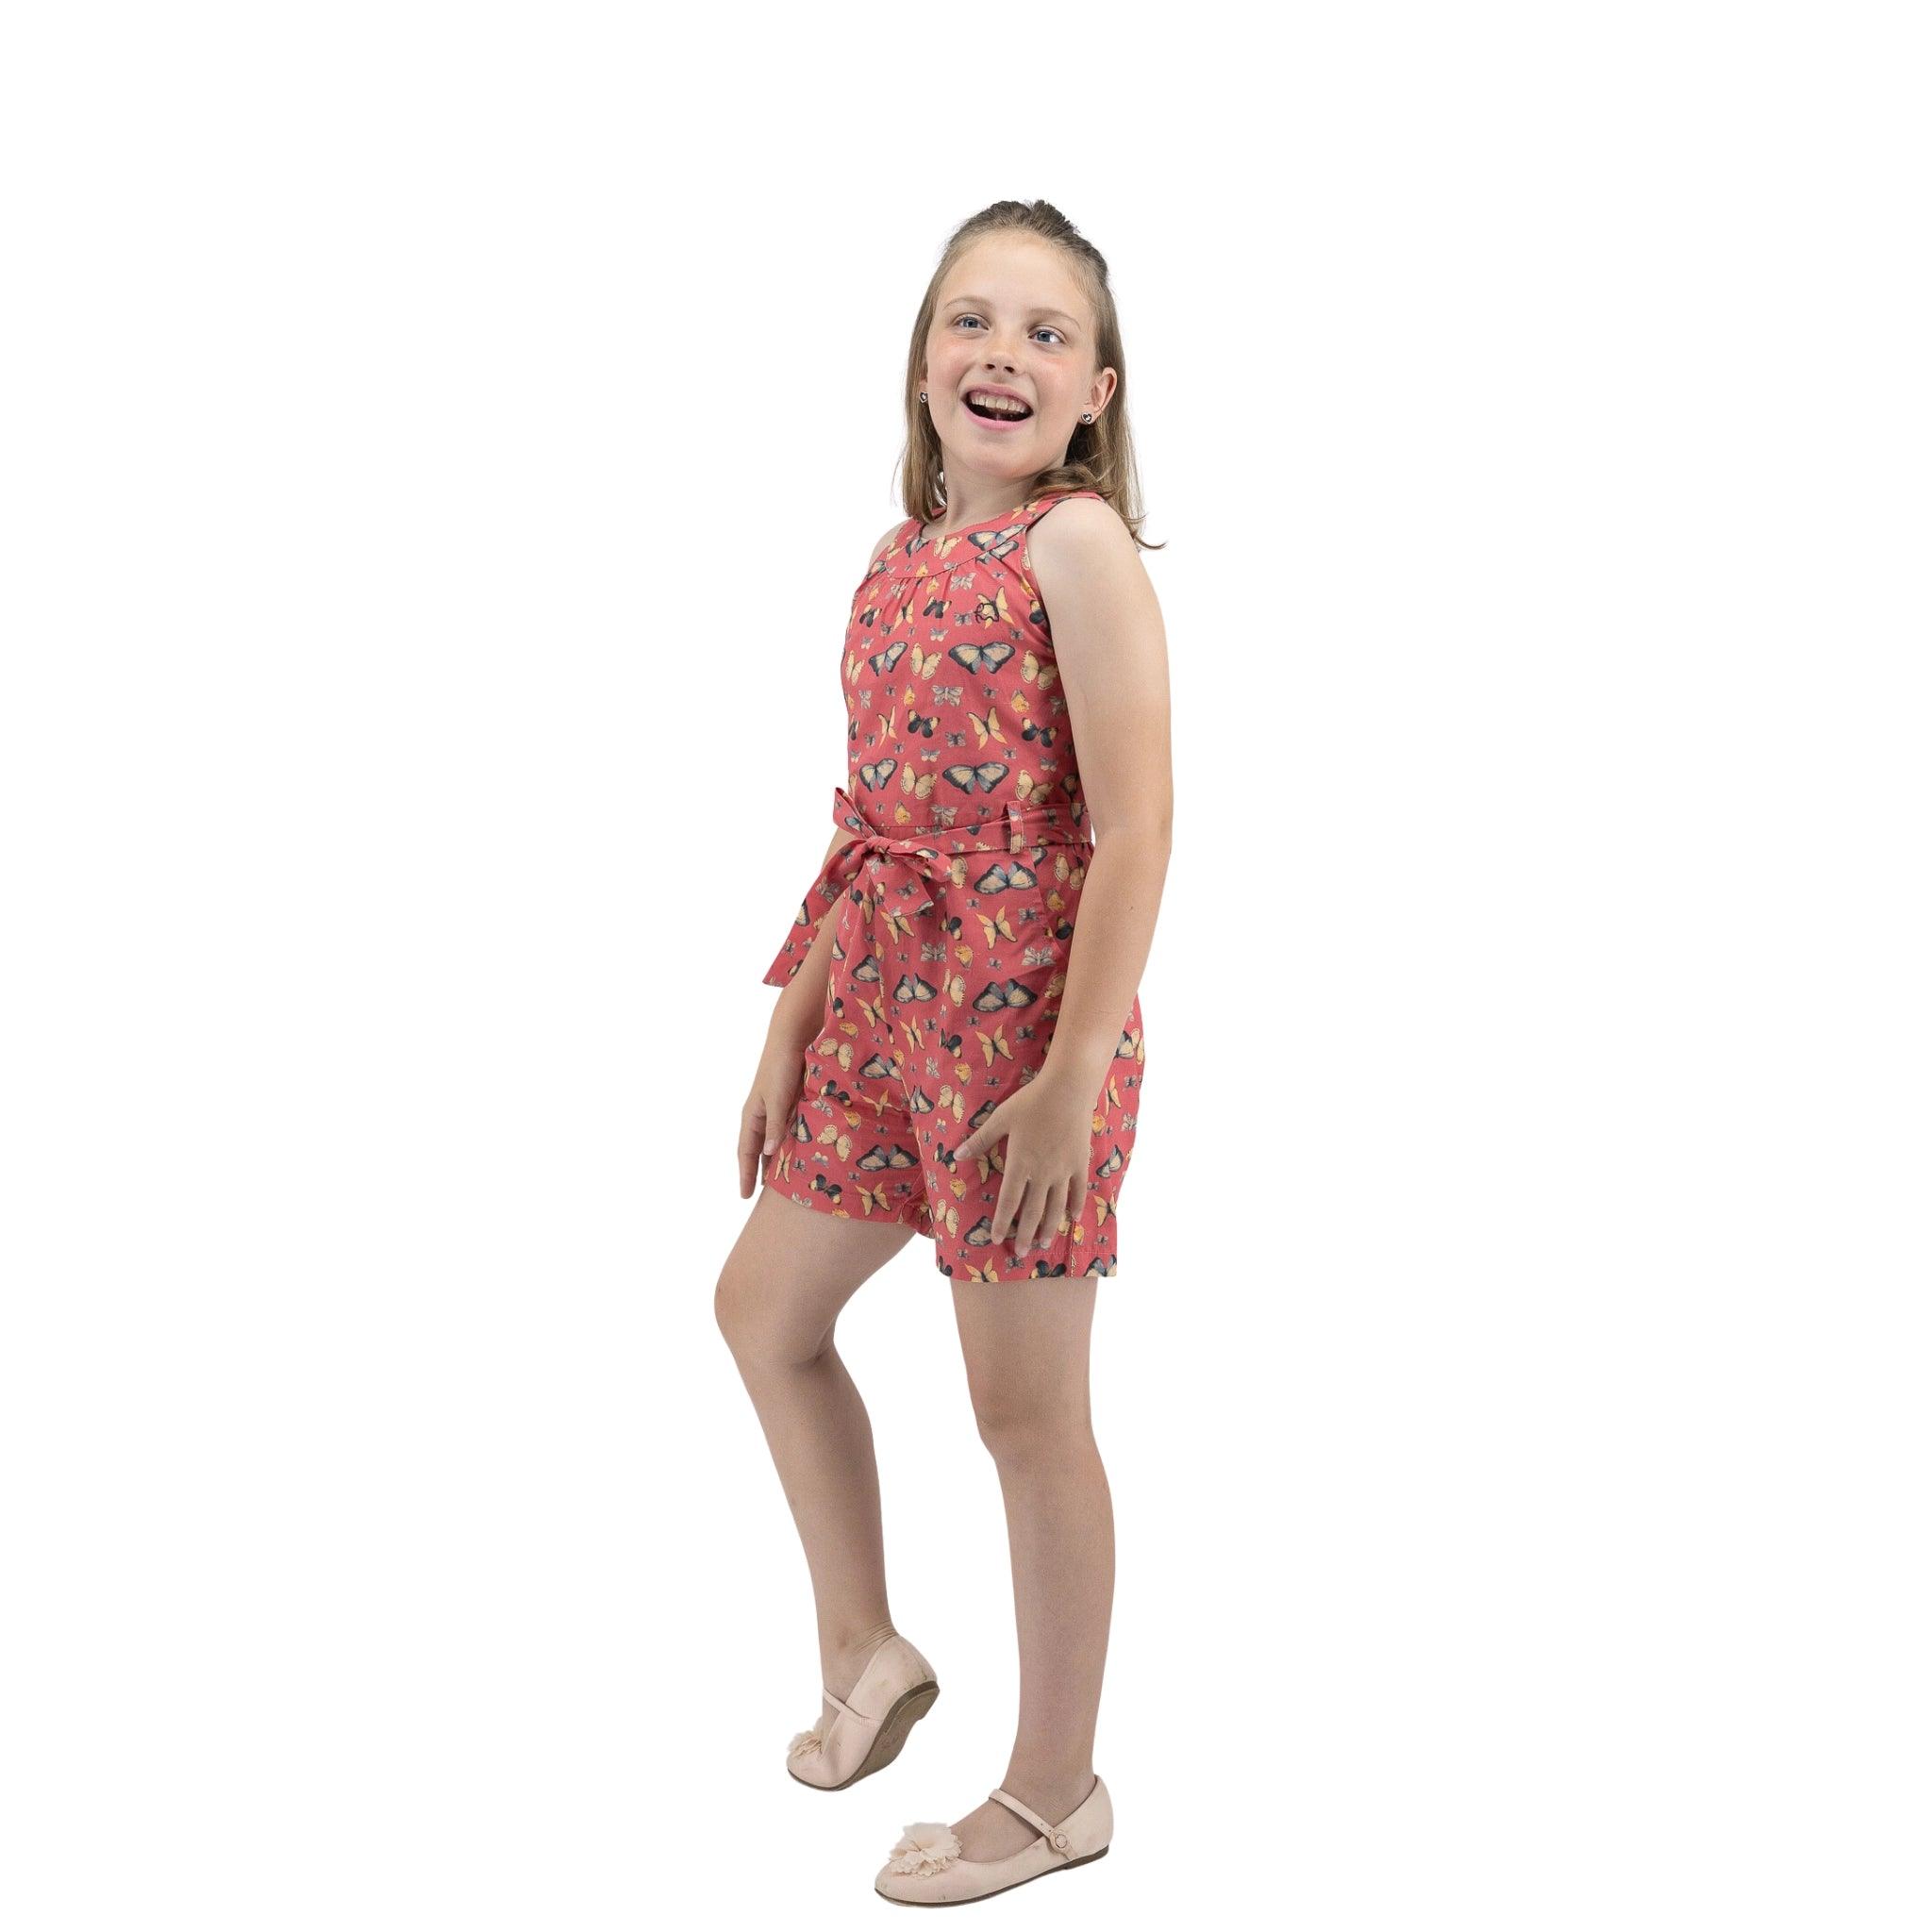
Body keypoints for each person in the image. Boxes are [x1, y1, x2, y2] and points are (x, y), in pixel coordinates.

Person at [714, 198, 1173, 1908]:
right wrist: (793, 1022)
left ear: (1096, 394)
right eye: (971, 322)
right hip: (881, 1008)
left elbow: (1136, 834)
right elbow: (877, 827)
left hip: (1019, 1036)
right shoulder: (897, 562)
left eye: (1046, 335)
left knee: (1024, 1410)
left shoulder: (1078, 549)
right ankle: (867, 1648)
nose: (1003, 354)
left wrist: (1071, 1074)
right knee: (764, 1308)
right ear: (922, 362)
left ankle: (1059, 1789)